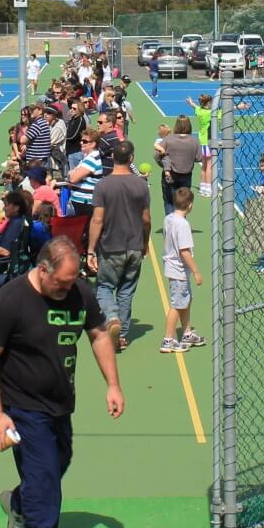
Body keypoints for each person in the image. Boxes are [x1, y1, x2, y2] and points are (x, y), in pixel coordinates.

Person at [0, 236, 123, 528]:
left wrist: (113, 384)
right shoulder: (12, 300)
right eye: (60, 283)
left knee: (57, 463)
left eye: (71, 281)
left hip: (60, 402)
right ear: (43, 270)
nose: (67, 289)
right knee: (44, 473)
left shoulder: (78, 291)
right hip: (22, 404)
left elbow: (99, 334)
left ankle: (19, 503)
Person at [85, 142, 151, 352]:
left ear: (113, 158)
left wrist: (90, 250)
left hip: (111, 246)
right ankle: (121, 336)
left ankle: (112, 318)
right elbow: (146, 219)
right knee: (126, 290)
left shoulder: (103, 185)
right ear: (131, 158)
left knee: (104, 287)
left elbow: (97, 220)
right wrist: (145, 242)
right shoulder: (141, 185)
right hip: (134, 245)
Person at [159, 185, 205, 353]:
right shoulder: (183, 224)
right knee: (177, 304)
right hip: (178, 269)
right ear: (190, 205)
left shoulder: (169, 218)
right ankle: (168, 340)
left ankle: (186, 333)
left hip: (173, 267)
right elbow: (184, 252)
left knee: (185, 300)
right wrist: (196, 271)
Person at [157, 114, 200, 214]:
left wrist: (163, 164)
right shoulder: (194, 140)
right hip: (186, 176)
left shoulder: (168, 139)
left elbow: (157, 154)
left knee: (169, 202)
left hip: (170, 174)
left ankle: (170, 225)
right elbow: (198, 157)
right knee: (183, 203)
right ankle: (181, 225)